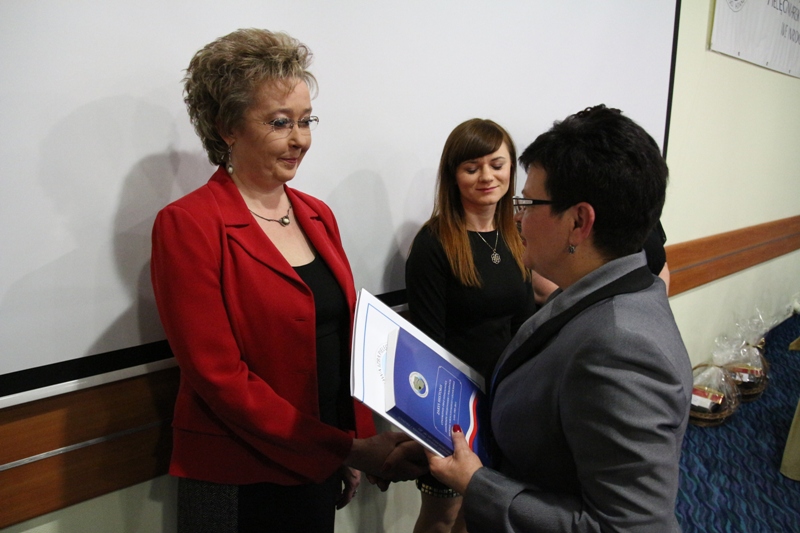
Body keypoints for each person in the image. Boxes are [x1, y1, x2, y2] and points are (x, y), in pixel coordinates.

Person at [150, 28, 418, 533]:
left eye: (305, 120)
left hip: (318, 462)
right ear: (227, 127)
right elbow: (218, 377)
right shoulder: (188, 224)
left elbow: (341, 339)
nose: (300, 139)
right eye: (280, 122)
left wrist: (350, 442)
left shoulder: (317, 214)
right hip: (241, 473)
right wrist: (347, 447)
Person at [426, 105, 693, 532]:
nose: (517, 216)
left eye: (529, 203)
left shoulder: (621, 348)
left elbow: (628, 528)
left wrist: (478, 484)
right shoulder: (599, 293)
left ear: (578, 222)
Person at [405, 118, 536, 532]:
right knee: (443, 516)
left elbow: (524, 324)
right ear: (453, 175)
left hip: (506, 402)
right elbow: (428, 346)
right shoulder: (434, 243)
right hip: (454, 409)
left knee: (480, 514)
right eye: (471, 167)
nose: (487, 177)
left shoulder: (516, 234)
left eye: (497, 164)